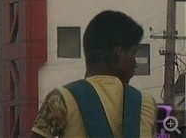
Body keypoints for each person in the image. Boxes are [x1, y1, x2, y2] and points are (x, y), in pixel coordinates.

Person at [31, 9, 157, 138]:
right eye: (134, 53)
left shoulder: (60, 99)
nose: (135, 63)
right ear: (118, 54)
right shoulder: (145, 104)